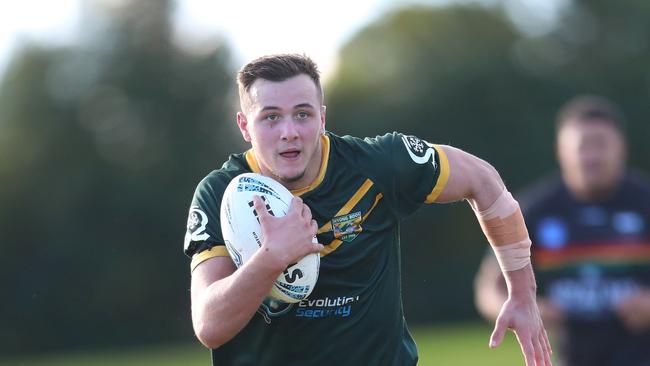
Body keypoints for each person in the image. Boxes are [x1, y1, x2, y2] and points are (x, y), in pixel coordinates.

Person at [184, 54, 551, 366]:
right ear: (245, 126)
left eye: (302, 114)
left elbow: (483, 180)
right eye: (270, 117)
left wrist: (522, 292)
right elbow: (209, 326)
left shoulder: (377, 165)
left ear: (323, 118)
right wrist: (270, 259)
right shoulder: (220, 193)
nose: (289, 132)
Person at [474, 95, 650, 366]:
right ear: (560, 150)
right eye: (581, 146)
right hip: (569, 356)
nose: (591, 156)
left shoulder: (645, 202)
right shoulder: (532, 210)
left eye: (600, 145)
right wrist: (527, 308)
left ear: (621, 147)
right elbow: (489, 287)